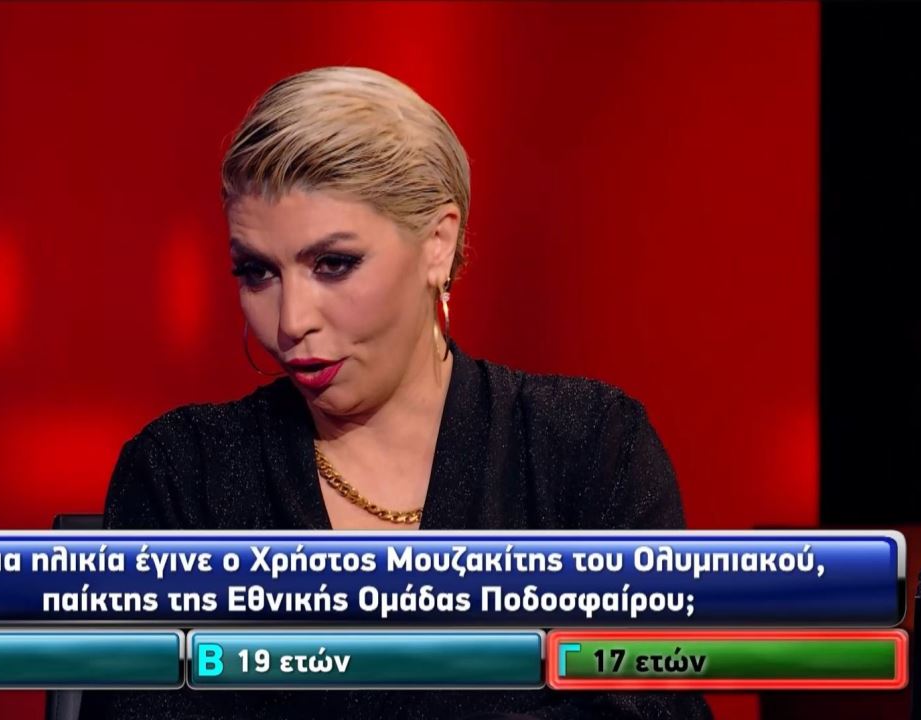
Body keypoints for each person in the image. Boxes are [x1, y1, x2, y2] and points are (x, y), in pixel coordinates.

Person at [79, 66, 712, 719]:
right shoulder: (184, 473)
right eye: (258, 272)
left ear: (437, 243)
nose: (291, 320)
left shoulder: (586, 448)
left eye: (333, 264)